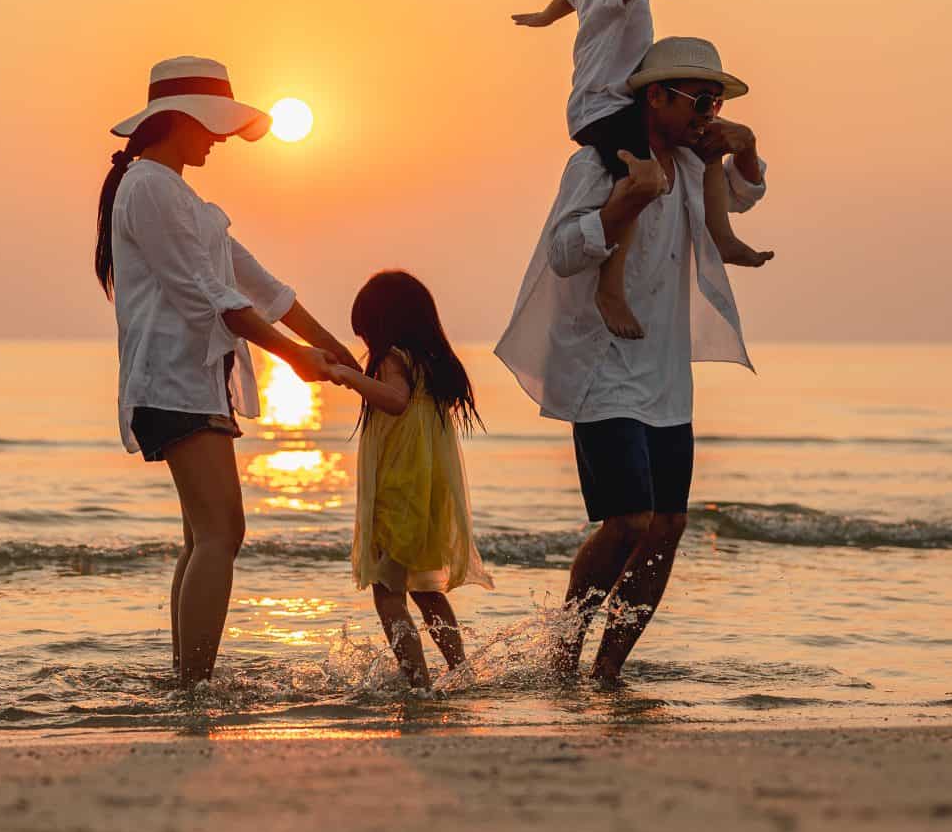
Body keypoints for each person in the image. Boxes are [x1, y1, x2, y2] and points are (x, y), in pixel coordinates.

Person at [494, 36, 769, 684]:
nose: (710, 112)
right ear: (657, 96)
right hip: (602, 367)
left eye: (718, 100)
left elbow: (742, 194)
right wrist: (626, 198)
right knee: (628, 520)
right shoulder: (599, 163)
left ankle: (608, 671)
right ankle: (564, 649)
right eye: (700, 99)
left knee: (668, 524)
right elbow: (564, 251)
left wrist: (747, 143)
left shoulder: (693, 165)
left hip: (667, 377)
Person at [97, 56, 357, 684]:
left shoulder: (179, 194)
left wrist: (335, 347)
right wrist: (294, 358)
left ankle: (187, 680)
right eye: (212, 124)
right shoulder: (151, 186)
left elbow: (258, 284)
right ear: (178, 119)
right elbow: (208, 296)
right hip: (173, 381)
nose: (219, 138)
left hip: (194, 380)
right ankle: (194, 685)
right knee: (221, 533)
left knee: (205, 537)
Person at [512, 0, 771, 340]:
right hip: (607, 108)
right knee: (641, 182)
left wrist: (544, 17)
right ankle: (610, 286)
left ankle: (724, 238)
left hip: (611, 106)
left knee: (709, 150)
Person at [326, 271, 493, 688]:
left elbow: (396, 402)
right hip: (427, 493)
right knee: (426, 590)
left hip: (400, 492)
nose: (367, 346)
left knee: (387, 590)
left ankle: (416, 680)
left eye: (367, 335)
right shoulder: (432, 365)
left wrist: (349, 378)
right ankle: (460, 671)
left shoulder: (393, 360)